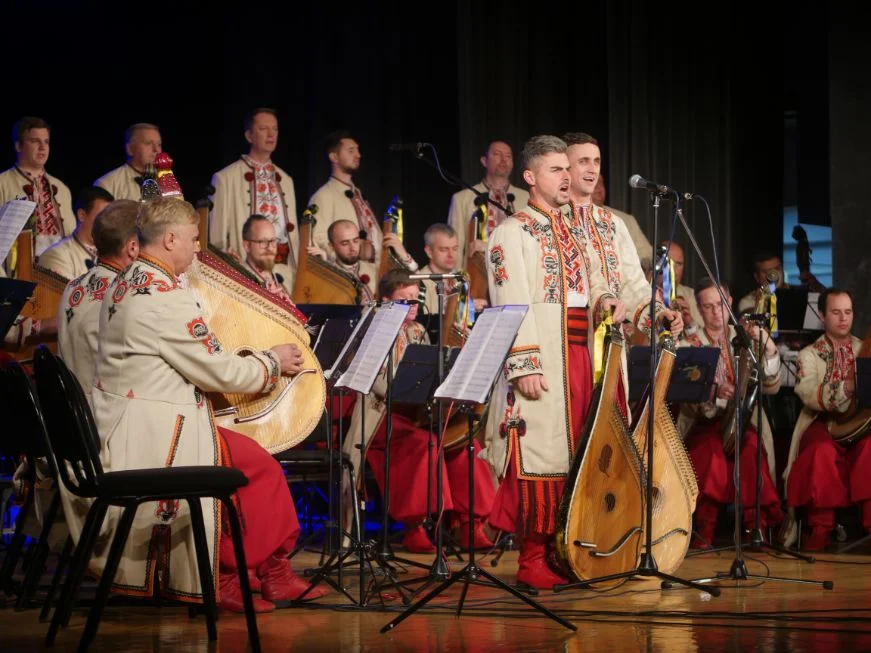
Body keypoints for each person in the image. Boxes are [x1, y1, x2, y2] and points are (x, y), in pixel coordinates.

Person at [91, 196, 326, 613]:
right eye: (194, 239)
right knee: (259, 466)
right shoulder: (162, 294)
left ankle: (261, 572)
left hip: (135, 419)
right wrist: (273, 361)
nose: (198, 249)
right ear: (169, 239)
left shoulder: (126, 280)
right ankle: (229, 576)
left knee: (247, 456)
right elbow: (221, 373)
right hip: (158, 430)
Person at [483, 135, 625, 588]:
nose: (567, 177)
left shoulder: (571, 229)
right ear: (530, 178)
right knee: (539, 453)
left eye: (569, 169)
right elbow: (509, 302)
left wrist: (605, 298)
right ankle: (531, 559)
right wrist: (524, 363)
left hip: (581, 355)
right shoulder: (511, 233)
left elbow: (594, 279)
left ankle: (564, 549)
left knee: (575, 454)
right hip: (544, 355)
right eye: (556, 170)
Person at [343, 269, 496, 552]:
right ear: (386, 301)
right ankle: (415, 526)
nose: (413, 306)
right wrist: (402, 392)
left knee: (465, 445)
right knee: (422, 444)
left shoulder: (418, 331)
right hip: (381, 416)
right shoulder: (374, 330)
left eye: (415, 299)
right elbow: (372, 380)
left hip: (416, 413)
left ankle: (469, 525)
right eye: (405, 300)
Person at [677, 278, 783, 548]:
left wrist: (768, 347)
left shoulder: (745, 339)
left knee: (750, 450)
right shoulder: (689, 345)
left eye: (720, 305)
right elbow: (686, 399)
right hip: (704, 424)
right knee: (711, 454)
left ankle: (753, 529)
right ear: (699, 309)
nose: (716, 312)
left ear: (730, 303)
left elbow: (771, 387)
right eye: (708, 306)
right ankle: (705, 532)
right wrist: (714, 391)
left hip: (742, 422)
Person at [563, 132, 682, 337]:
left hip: (611, 342)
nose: (592, 169)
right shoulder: (553, 220)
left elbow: (632, 282)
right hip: (567, 339)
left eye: (596, 161)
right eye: (583, 161)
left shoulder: (614, 224)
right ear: (565, 167)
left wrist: (660, 314)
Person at [782, 289, 871, 551]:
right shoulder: (808, 355)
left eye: (848, 312)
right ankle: (821, 528)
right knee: (820, 451)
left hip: (859, 422)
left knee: (869, 448)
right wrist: (848, 387)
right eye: (836, 312)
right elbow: (809, 394)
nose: (843, 318)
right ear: (822, 316)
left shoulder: (864, 349)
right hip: (819, 420)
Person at [208, 108, 298, 269]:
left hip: (285, 272)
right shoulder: (225, 178)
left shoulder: (286, 180)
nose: (271, 135)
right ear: (249, 136)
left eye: (275, 129)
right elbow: (217, 240)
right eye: (263, 129)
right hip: (244, 271)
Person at [447, 140, 529, 273]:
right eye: (497, 154)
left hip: (515, 273)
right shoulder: (462, 198)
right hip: (476, 276)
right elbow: (455, 244)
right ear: (484, 161)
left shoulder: (524, 198)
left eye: (508, 156)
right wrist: (456, 280)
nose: (503, 160)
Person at [0, 116, 74, 258]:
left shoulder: (61, 188)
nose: (42, 147)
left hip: (58, 267)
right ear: (18, 146)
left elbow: (71, 235)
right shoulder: (3, 183)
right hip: (18, 269)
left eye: (46, 142)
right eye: (35, 141)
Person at [308, 131, 380, 264]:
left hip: (372, 274)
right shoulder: (323, 197)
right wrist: (342, 263)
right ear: (334, 157)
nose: (358, 155)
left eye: (357, 150)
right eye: (351, 151)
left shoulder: (358, 194)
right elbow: (317, 239)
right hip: (346, 277)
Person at [38, 187, 114, 280]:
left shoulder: (114, 254)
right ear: (82, 215)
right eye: (102, 216)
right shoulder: (57, 255)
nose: (109, 223)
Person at [592, 173, 653, 272]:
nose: (599, 187)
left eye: (601, 182)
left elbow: (647, 255)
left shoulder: (625, 220)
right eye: (593, 182)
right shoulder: (567, 216)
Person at [308, 219, 377, 302]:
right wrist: (325, 269)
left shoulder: (374, 270)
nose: (352, 248)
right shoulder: (329, 272)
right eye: (345, 243)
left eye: (355, 241)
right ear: (331, 246)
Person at [94, 123, 163, 200]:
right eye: (148, 143)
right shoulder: (107, 184)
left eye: (159, 144)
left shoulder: (166, 181)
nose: (156, 150)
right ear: (130, 149)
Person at [240, 214, 295, 299]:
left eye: (273, 240)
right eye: (263, 241)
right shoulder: (239, 279)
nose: (270, 247)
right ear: (247, 245)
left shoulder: (287, 273)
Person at [660, 241, 704, 336]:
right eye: (669, 262)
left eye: (679, 264)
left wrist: (689, 321)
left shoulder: (692, 295)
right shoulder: (643, 292)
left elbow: (705, 339)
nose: (674, 269)